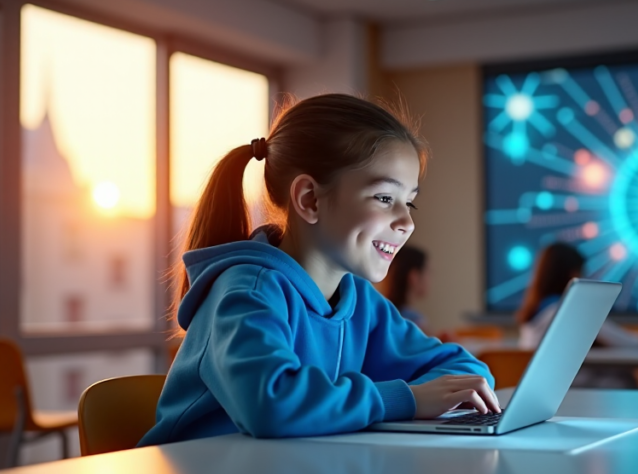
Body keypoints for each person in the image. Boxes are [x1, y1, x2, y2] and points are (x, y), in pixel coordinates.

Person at [139, 94, 499, 444]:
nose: (406, 222)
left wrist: (437, 391)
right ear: (310, 199)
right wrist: (408, 399)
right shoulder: (247, 292)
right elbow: (271, 403)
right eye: (385, 198)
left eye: (410, 204)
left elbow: (465, 370)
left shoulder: (358, 300)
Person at [517, 242, 638, 389]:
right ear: (573, 274)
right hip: (574, 392)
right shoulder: (571, 310)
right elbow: (632, 344)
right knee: (623, 379)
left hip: (542, 390)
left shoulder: (533, 313)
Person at [379, 245, 430, 330]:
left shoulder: (381, 312)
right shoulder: (415, 322)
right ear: (414, 276)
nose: (429, 279)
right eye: (428, 272)